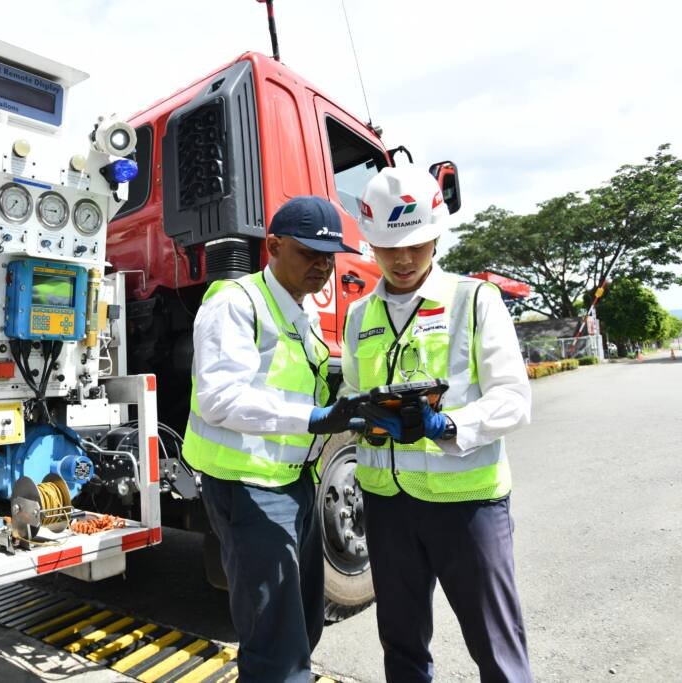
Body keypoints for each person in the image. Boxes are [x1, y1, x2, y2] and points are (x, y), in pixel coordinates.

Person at [343, 165, 533, 682]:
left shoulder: (474, 301)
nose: (403, 259)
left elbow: (514, 400)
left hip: (466, 505)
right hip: (386, 504)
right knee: (401, 644)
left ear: (437, 235)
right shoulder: (359, 315)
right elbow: (352, 392)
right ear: (371, 244)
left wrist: (445, 425)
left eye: (417, 244)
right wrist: (363, 415)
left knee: (496, 645)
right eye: (388, 247)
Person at [182, 195, 363, 682]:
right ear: (274, 246)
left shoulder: (298, 311)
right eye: (309, 254)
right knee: (274, 641)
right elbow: (219, 398)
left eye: (329, 257)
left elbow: (302, 378)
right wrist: (315, 418)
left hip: (293, 482)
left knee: (302, 620)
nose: (322, 267)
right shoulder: (235, 303)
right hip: (248, 488)